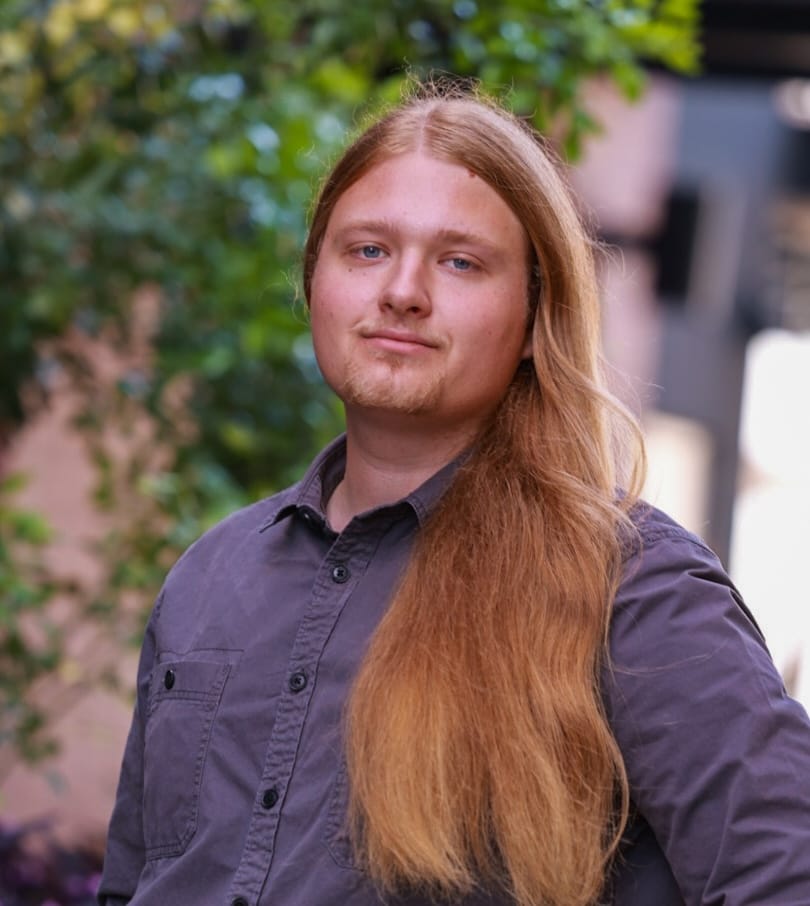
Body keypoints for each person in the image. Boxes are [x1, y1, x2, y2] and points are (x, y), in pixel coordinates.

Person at [98, 85, 810, 906]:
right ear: (315, 280)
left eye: (460, 261)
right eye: (368, 250)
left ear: (535, 314)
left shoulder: (633, 592)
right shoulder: (210, 578)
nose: (403, 291)